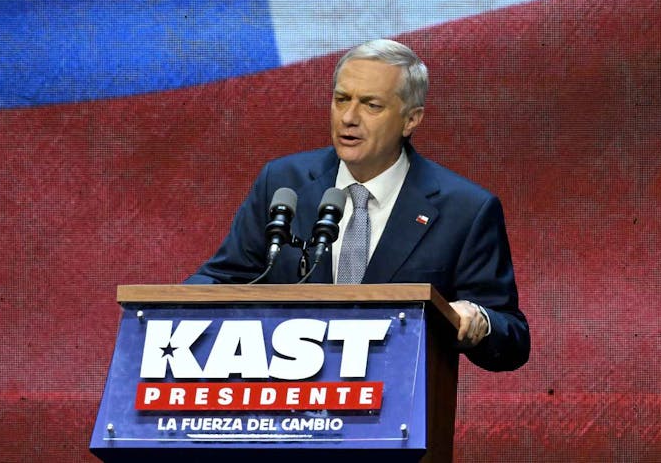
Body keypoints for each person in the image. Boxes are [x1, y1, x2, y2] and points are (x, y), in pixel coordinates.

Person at [185, 38, 530, 372]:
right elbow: (224, 278)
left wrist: (479, 322)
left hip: (392, 410)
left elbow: (511, 336)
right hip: (285, 407)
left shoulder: (465, 210)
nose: (349, 117)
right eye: (341, 99)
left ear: (411, 119)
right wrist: (166, 305)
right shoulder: (283, 182)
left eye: (371, 105)